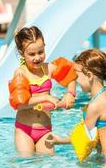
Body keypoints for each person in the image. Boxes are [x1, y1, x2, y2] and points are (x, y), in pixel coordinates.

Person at [9, 26, 76, 157]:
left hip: (45, 130)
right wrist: (45, 98)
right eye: (32, 54)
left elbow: (70, 73)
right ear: (22, 53)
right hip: (25, 130)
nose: (37, 57)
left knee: (47, 166)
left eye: (41, 52)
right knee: (26, 164)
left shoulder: (48, 68)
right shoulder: (21, 73)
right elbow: (20, 104)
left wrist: (70, 93)